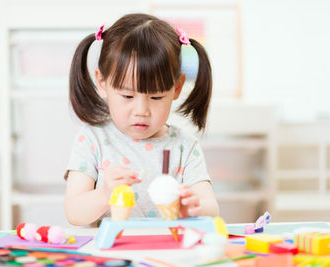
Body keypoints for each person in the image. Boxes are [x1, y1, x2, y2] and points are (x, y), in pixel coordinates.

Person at [64, 13, 219, 226]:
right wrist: (106, 193)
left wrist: (194, 206)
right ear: (102, 82)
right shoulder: (92, 140)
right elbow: (74, 213)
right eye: (128, 96)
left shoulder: (184, 146)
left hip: (167, 252)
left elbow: (211, 206)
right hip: (112, 254)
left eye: (156, 97)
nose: (141, 111)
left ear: (176, 88)